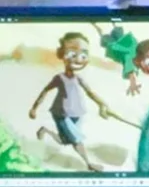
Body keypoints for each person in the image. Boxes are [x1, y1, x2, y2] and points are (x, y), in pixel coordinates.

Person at [28, 31, 113, 172]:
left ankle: (45, 131)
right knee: (76, 139)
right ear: (61, 54)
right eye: (73, 54)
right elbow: (45, 91)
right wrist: (34, 108)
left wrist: (101, 104)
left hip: (77, 112)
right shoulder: (59, 78)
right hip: (62, 113)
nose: (79, 59)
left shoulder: (78, 78)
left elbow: (90, 92)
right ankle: (89, 164)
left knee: (65, 140)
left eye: (83, 55)